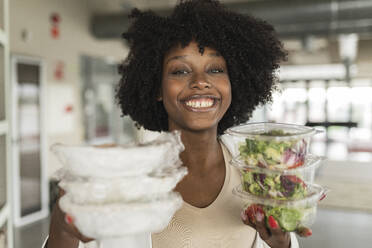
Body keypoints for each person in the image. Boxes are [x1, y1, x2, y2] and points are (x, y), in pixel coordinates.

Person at [45, 0, 312, 247]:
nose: (200, 81)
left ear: (234, 83)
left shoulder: (259, 171)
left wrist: (282, 244)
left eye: (216, 69)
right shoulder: (122, 174)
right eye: (180, 71)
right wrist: (62, 226)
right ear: (157, 88)